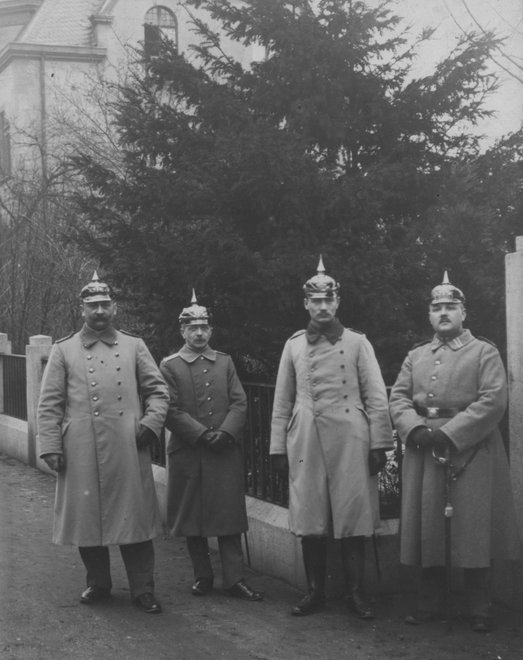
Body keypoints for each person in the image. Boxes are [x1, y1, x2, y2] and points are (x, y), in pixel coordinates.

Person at [389, 272, 521, 632]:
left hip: (471, 448)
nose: (443, 313)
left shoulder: (484, 352)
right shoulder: (416, 355)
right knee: (429, 525)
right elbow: (398, 398)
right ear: (429, 315)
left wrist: (450, 433)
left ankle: (480, 607)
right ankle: (429, 603)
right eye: (437, 308)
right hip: (424, 447)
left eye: (451, 306)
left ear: (464, 312)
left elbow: (493, 401)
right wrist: (415, 428)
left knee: (473, 526)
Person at [37, 272, 169, 614]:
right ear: (82, 309)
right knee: (87, 520)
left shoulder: (134, 345)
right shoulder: (64, 349)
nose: (99, 311)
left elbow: (158, 391)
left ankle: (143, 589)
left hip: (127, 445)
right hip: (80, 448)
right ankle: (98, 583)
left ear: (114, 308)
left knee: (135, 520)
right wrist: (50, 445)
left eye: (104, 304)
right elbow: (49, 403)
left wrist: (151, 424)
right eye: (92, 305)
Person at [269, 258, 394, 618]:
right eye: (316, 301)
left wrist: (380, 444)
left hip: (351, 437)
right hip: (307, 438)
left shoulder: (357, 343)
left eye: (328, 300)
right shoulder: (294, 345)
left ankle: (355, 593)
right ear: (305, 304)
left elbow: (376, 397)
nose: (322, 307)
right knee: (311, 517)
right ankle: (314, 592)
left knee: (353, 515)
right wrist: (278, 448)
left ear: (338, 302)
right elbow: (282, 400)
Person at [159, 293, 263, 602]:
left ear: (211, 330)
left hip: (224, 451)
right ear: (182, 331)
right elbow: (169, 409)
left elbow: (239, 402)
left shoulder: (225, 362)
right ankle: (202, 576)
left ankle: (235, 579)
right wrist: (202, 435)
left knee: (229, 518)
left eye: (204, 328)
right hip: (189, 452)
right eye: (193, 328)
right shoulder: (170, 366)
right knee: (193, 518)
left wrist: (226, 432)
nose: (199, 333)